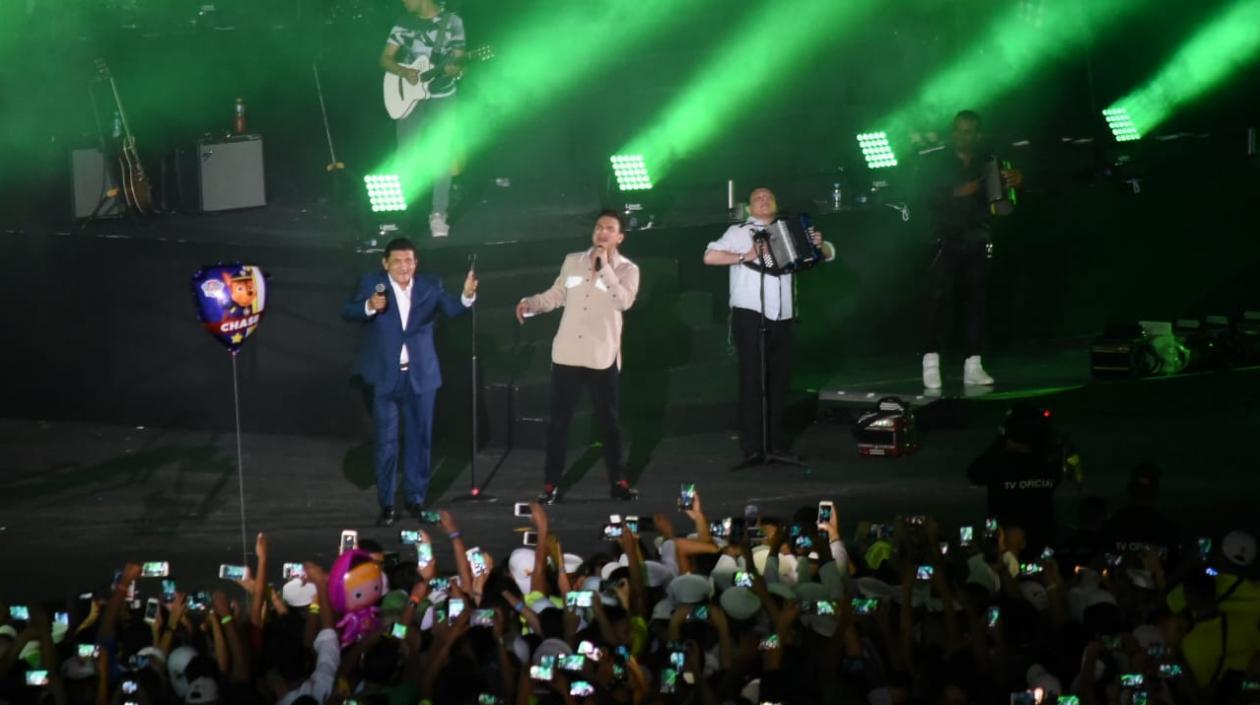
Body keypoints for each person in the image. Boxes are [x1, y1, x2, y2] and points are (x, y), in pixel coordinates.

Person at [342, 237, 477, 525]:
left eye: (409, 261)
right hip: (386, 378)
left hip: (421, 377)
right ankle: (388, 505)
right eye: (398, 261)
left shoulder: (430, 285)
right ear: (385, 263)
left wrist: (466, 296)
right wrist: (368, 305)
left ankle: (416, 501)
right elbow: (348, 311)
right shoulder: (372, 283)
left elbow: (454, 309)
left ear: (416, 263)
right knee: (387, 444)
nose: (404, 267)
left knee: (420, 441)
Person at [515, 210, 640, 504]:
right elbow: (557, 294)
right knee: (558, 423)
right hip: (568, 353)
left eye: (609, 228)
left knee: (609, 423)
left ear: (619, 237)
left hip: (601, 356)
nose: (602, 233)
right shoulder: (573, 261)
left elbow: (623, 301)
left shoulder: (627, 270)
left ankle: (618, 482)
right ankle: (550, 484)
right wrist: (530, 304)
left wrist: (605, 268)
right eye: (599, 227)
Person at [703, 187, 834, 465]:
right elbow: (709, 257)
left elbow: (829, 253)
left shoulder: (788, 229)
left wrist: (819, 245)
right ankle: (752, 446)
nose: (764, 200)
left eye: (769, 197)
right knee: (752, 381)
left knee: (779, 383)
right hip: (750, 313)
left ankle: (777, 444)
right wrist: (746, 256)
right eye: (758, 198)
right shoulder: (739, 232)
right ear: (749, 207)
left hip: (784, 316)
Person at [919, 110, 1022, 389]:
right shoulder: (937, 160)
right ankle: (931, 363)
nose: (961, 136)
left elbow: (1004, 202)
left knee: (976, 301)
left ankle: (973, 365)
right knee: (939, 301)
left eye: (968, 131)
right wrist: (956, 192)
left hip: (976, 237)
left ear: (977, 134)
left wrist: (1015, 181)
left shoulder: (988, 161)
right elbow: (922, 195)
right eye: (958, 130)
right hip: (944, 239)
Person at [379, 0, 466, 238]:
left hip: (442, 96)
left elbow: (459, 61)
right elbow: (385, 58)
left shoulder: (452, 23)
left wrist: (455, 69)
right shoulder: (403, 22)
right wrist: (403, 71)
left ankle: (438, 214)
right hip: (409, 97)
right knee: (406, 155)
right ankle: (404, 214)